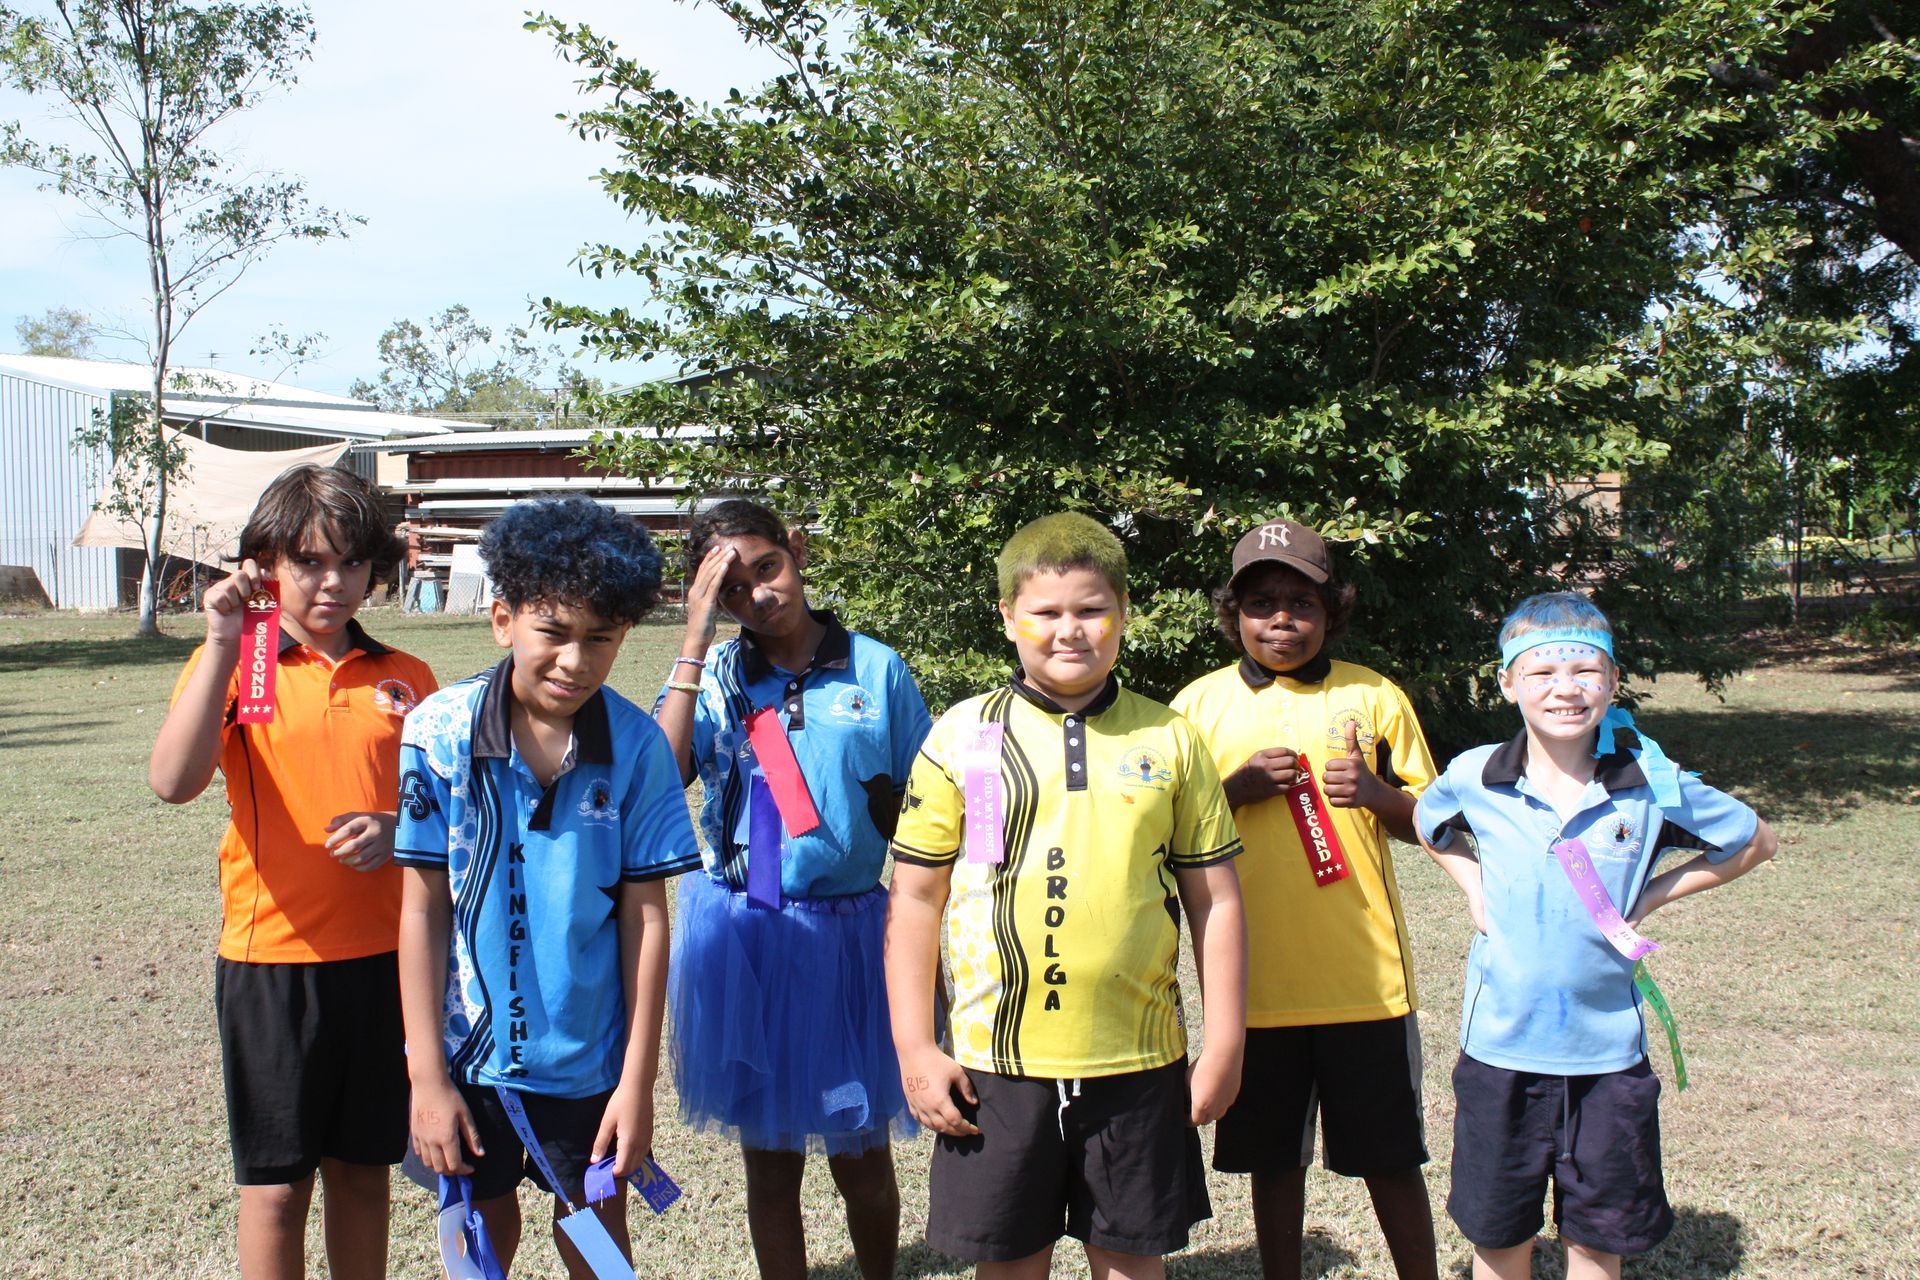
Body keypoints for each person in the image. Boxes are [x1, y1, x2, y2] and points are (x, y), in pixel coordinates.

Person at [885, 511, 1248, 1280]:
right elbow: (915, 901)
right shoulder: (963, 736)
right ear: (1008, 619)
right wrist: (917, 1047)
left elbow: (1216, 901)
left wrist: (1224, 1043)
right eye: (1046, 612)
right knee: (1009, 1261)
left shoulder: (1170, 737)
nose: (1069, 630)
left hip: (1139, 1056)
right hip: (993, 1061)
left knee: (1130, 1258)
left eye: (1091, 610)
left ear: (1124, 612)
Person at [1414, 591, 1778, 1280]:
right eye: (1543, 673)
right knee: (1498, 1235)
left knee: (1597, 1239)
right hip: (1501, 1051)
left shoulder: (1651, 782)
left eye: (1585, 671)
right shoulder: (1475, 774)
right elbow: (1428, 827)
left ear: (1612, 683)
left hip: (1607, 1059)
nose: (1565, 689)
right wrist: (1473, 886)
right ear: (1507, 683)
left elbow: (1754, 841)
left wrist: (1653, 895)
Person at [395, 496, 701, 1279]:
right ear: (503, 620)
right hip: (469, 1061)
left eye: (600, 639)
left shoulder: (637, 749)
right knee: (480, 1235)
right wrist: (426, 1077)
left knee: (594, 1232)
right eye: (553, 633)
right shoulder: (436, 732)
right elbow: (422, 909)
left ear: (625, 634)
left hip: (587, 1063)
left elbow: (647, 923)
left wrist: (637, 1083)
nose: (575, 660)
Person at [150, 464, 435, 1280]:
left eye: (351, 562)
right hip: (270, 963)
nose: (332, 582)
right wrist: (220, 643)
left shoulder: (408, 678)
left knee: (363, 1175)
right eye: (309, 561)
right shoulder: (246, 667)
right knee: (275, 1189)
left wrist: (398, 827)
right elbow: (173, 783)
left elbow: (452, 810)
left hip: (387, 963)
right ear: (266, 562)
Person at [654, 498, 930, 1280]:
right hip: (747, 938)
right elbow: (663, 771)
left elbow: (932, 793)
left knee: (860, 1155)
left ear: (797, 550)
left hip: (848, 941)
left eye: (767, 569)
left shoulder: (875, 667)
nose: (759, 596)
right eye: (732, 590)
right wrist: (696, 636)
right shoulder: (712, 680)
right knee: (770, 1166)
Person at [1171, 518, 1440, 1280]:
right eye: (1261, 603)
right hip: (1253, 991)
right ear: (1233, 613)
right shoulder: (1196, 708)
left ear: (1334, 611)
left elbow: (1444, 824)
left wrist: (1382, 797)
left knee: (1391, 1159)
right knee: (1273, 1163)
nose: (1282, 620)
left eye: (1302, 603)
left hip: (1367, 985)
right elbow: (1165, 835)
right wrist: (1238, 790)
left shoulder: (1375, 696)